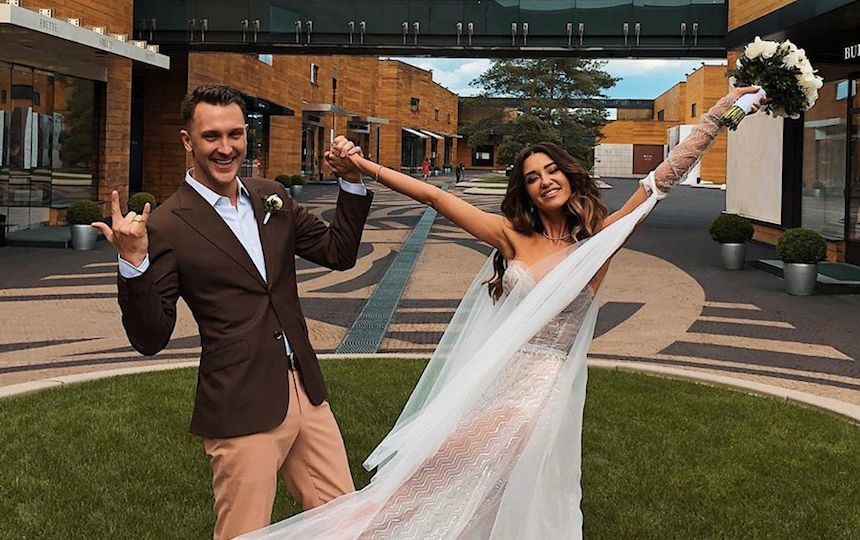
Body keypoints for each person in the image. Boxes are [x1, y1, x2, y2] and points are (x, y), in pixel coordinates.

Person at [241, 87, 764, 539]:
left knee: (446, 478)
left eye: (552, 170)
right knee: (444, 485)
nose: (545, 181)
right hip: (492, 378)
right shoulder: (511, 238)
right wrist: (364, 168)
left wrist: (716, 116)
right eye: (533, 177)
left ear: (569, 176)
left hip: (539, 391)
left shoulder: (597, 245)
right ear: (526, 192)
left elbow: (658, 184)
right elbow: (432, 196)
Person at [91, 84, 373, 540]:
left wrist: (351, 181)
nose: (225, 148)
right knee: (244, 533)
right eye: (211, 136)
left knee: (347, 525)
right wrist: (134, 262)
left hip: (306, 390)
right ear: (188, 141)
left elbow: (338, 252)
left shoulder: (271, 197)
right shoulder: (166, 225)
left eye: (235, 134)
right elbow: (150, 337)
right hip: (240, 404)